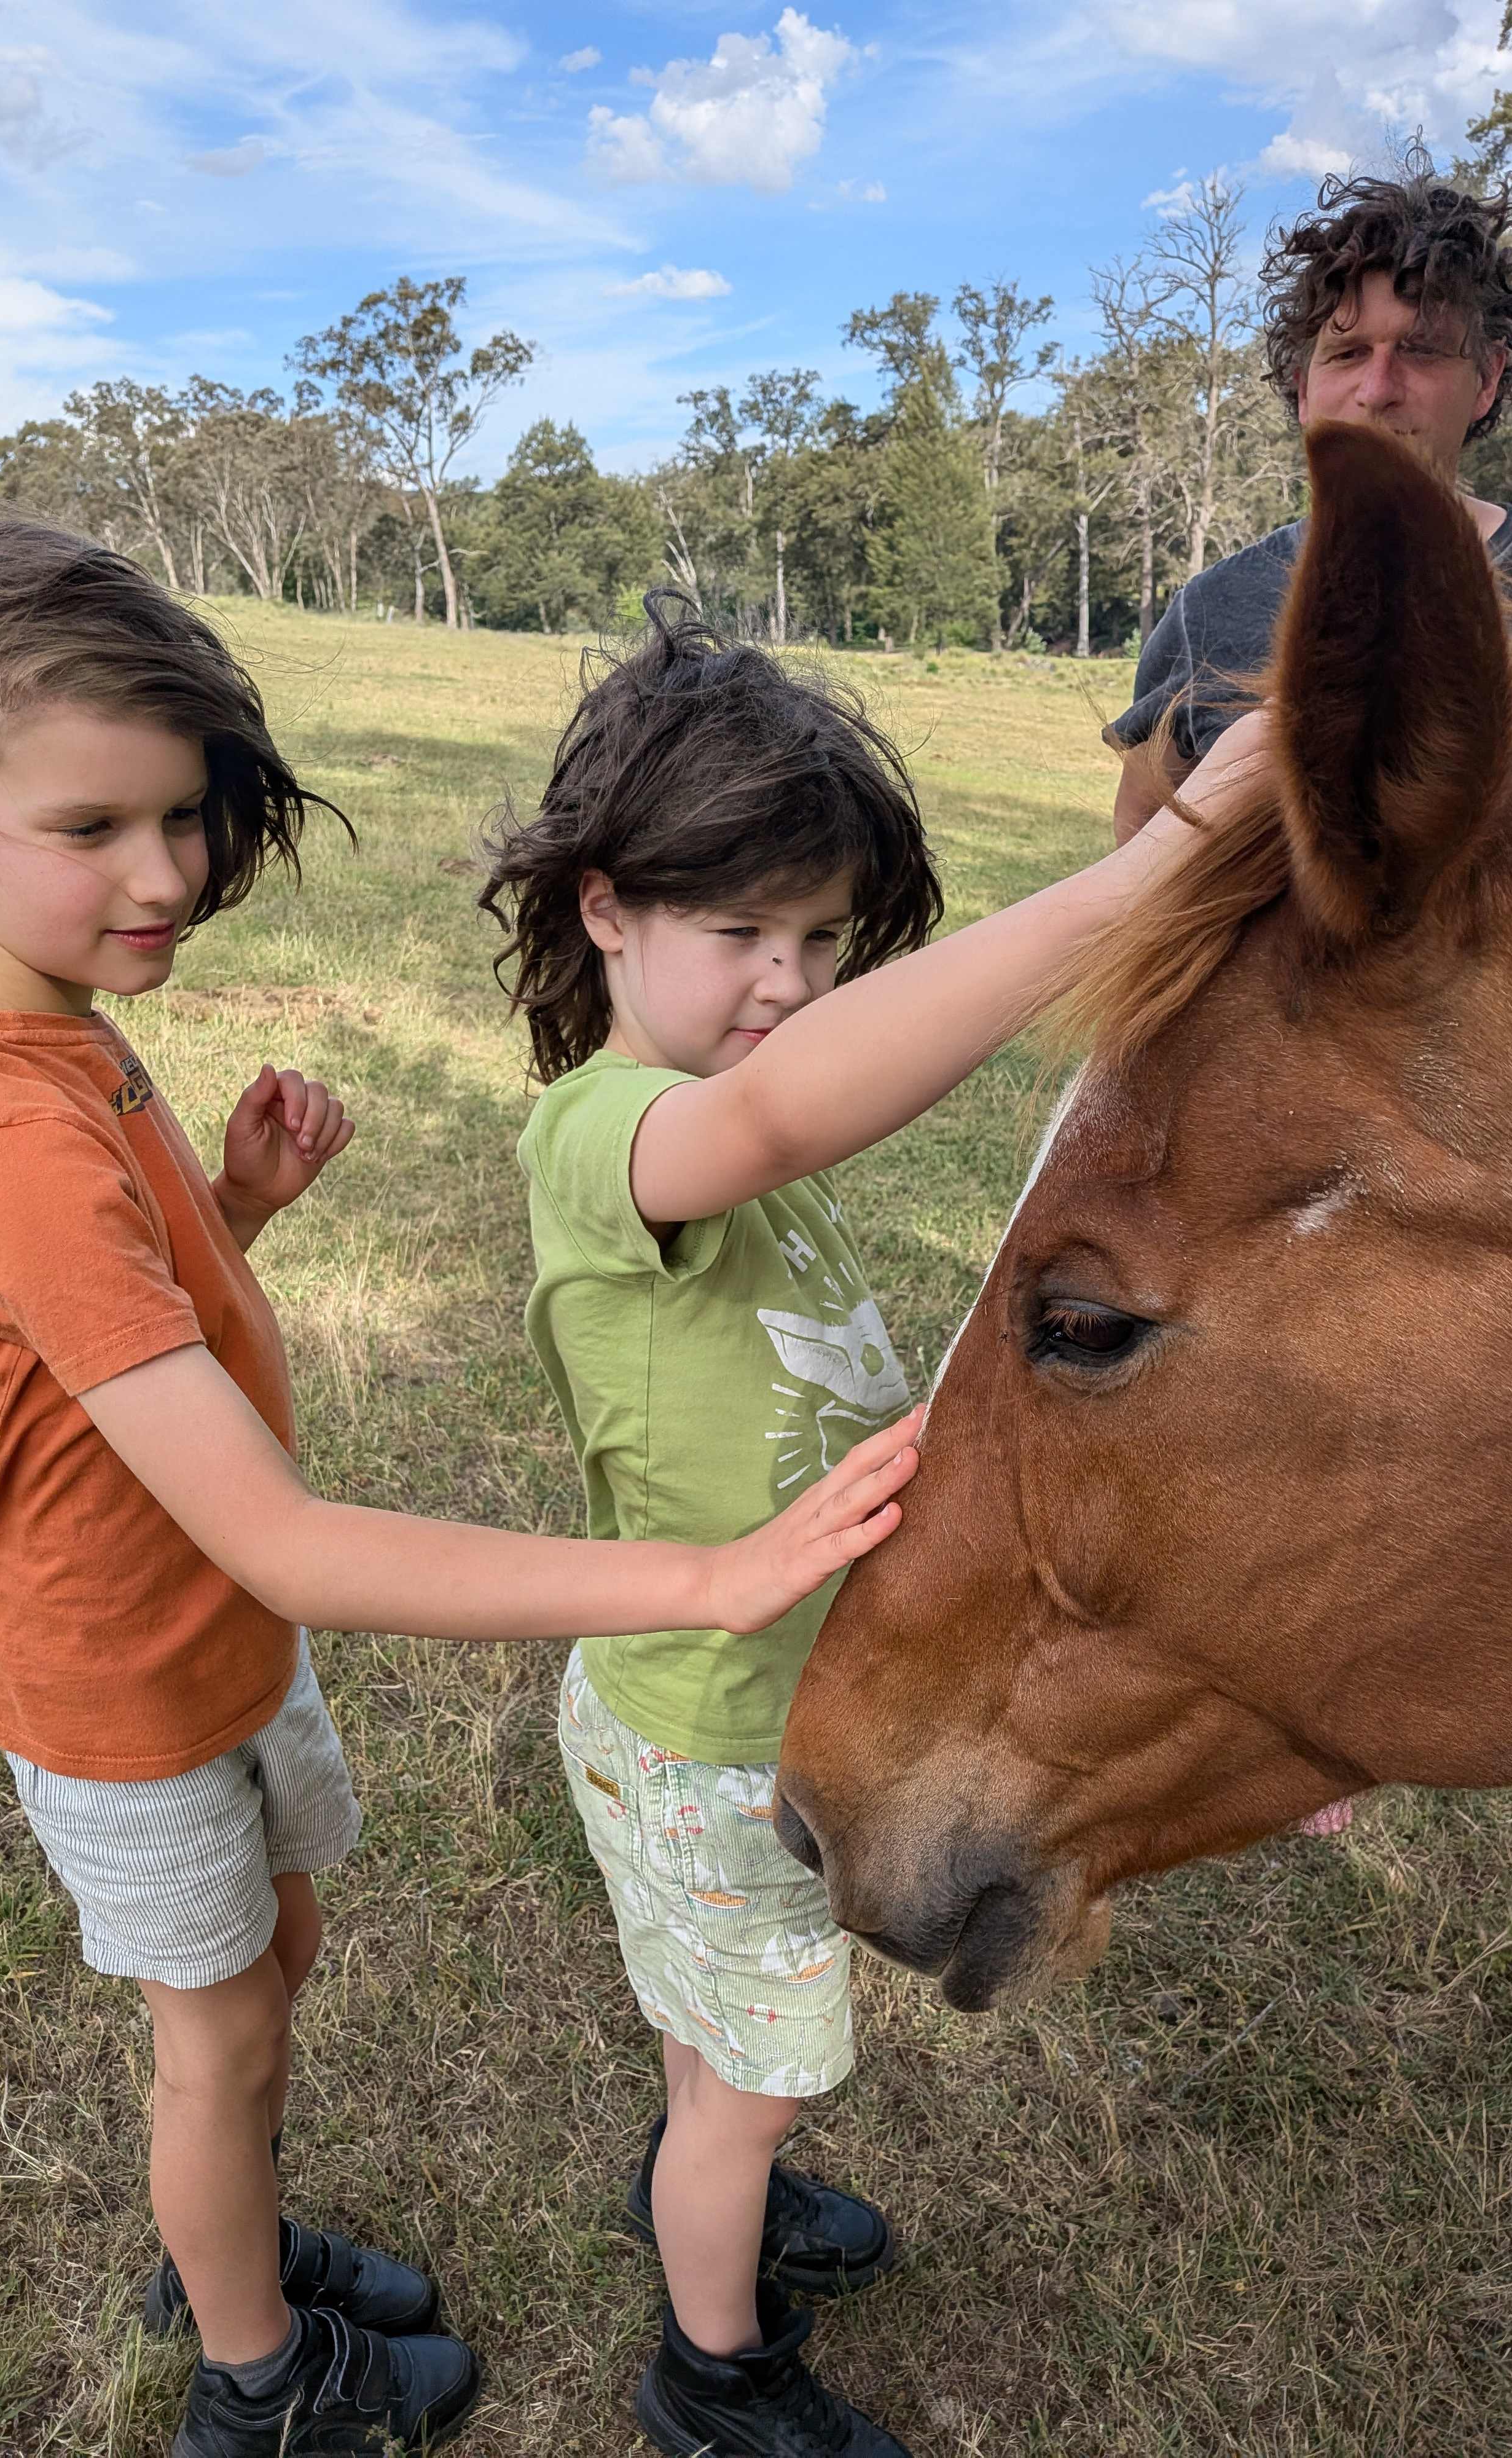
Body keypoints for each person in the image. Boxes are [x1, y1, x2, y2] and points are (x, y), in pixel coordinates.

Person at [0, 506, 923, 2458]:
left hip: (203, 1645)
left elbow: (101, 1340)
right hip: (122, 1678)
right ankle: (256, 2375)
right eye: (90, 828)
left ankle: (228, 2226)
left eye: (181, 814)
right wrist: (700, 1578)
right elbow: (284, 1533)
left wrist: (231, 1213)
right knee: (216, 2031)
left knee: (270, 1973)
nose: (165, 872)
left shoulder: (55, 1040)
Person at [481, 599, 1258, 2458]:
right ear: (605, 906)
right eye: (738, 931)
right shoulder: (610, 1139)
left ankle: (708, 2172)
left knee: (720, 2056)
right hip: (706, 1733)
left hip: (765, 1714)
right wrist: (1151, 870)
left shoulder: (745, 1139)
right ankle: (711, 2366)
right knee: (752, 2088)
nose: (788, 981)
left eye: (822, 939)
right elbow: (774, 1108)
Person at [1111, 157, 1512, 842]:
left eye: (1423, 349)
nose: (1378, 389)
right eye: (1347, 354)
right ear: (1302, 387)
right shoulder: (1212, 611)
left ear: (1487, 380)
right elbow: (1142, 820)